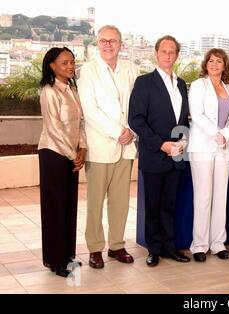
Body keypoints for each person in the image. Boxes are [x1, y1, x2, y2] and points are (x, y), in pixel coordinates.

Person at [78, 25, 139, 269]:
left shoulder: (132, 70)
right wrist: (117, 132)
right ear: (97, 43)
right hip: (100, 146)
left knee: (120, 200)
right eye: (103, 41)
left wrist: (131, 131)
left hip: (127, 146)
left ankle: (116, 245)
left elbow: (138, 105)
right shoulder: (87, 72)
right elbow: (89, 110)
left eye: (112, 41)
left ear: (120, 43)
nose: (107, 45)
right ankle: (95, 248)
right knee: (95, 202)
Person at [129, 35, 190, 267]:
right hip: (155, 154)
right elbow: (136, 120)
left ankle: (169, 247)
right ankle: (153, 249)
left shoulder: (182, 83)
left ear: (176, 55)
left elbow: (184, 118)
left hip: (177, 155)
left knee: (170, 205)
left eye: (172, 52)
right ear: (156, 54)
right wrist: (160, 144)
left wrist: (183, 140)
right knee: (153, 206)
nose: (167, 55)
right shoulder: (144, 82)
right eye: (163, 51)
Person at [38, 47, 87, 277]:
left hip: (72, 156)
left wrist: (83, 148)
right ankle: (55, 261)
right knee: (55, 208)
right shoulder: (49, 91)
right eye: (65, 62)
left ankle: (68, 256)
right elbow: (54, 129)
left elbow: (81, 123)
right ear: (52, 66)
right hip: (54, 155)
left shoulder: (72, 90)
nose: (70, 66)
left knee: (69, 206)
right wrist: (72, 155)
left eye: (72, 62)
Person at [187, 48, 229, 262]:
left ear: (225, 65)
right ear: (205, 64)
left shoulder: (228, 88)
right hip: (202, 147)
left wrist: (225, 135)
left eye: (219, 61)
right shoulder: (199, 85)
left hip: (223, 148)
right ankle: (199, 245)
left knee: (220, 197)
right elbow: (196, 114)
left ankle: (218, 243)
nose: (215, 65)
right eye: (211, 61)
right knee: (204, 196)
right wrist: (216, 134)